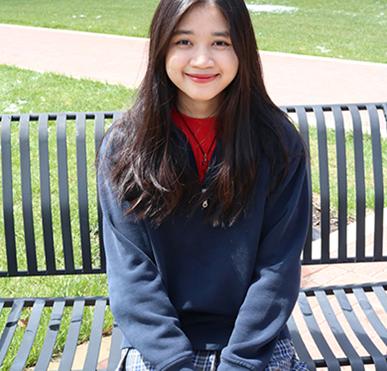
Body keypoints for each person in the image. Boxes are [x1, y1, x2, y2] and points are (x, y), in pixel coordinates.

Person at [97, 0, 311, 370]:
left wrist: (240, 362)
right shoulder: (126, 146)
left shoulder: (278, 144)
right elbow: (132, 273)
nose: (201, 60)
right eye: (183, 42)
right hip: (160, 344)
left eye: (220, 42)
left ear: (243, 48)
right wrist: (174, 362)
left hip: (252, 343)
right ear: (160, 47)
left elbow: (277, 269)